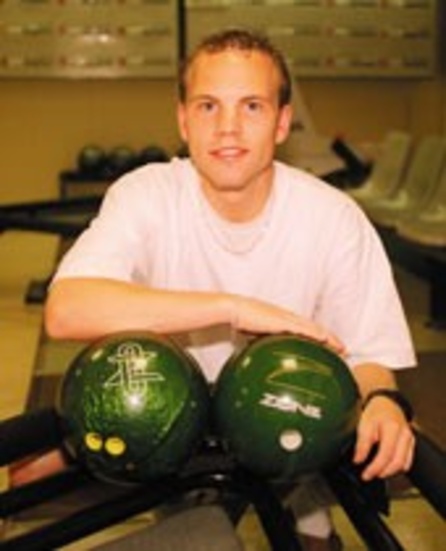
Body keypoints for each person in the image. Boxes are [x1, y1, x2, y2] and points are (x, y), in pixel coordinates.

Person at [14, 28, 416, 551]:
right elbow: (66, 310)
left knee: (313, 528)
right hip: (171, 417)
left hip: (280, 412)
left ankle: (309, 520)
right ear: (183, 119)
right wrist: (232, 307)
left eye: (251, 105)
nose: (228, 128)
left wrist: (383, 400)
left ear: (282, 122)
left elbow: (368, 354)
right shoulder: (147, 194)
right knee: (25, 475)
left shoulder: (333, 217)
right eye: (208, 106)